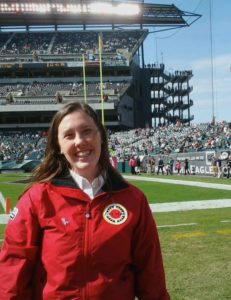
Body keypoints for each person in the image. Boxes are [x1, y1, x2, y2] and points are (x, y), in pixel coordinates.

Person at [0, 102, 170, 300]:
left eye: (87, 131)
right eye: (69, 135)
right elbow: (13, 271)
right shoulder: (37, 198)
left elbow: (151, 276)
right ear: (59, 147)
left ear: (101, 137)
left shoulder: (133, 199)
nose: (79, 141)